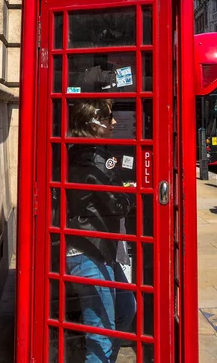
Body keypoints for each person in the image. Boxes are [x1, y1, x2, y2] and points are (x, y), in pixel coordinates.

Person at [66, 99, 136, 362]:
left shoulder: (76, 150)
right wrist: (129, 191)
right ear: (94, 123)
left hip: (98, 248)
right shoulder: (95, 157)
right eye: (108, 119)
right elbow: (118, 203)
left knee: (126, 307)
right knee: (101, 334)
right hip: (87, 250)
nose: (114, 123)